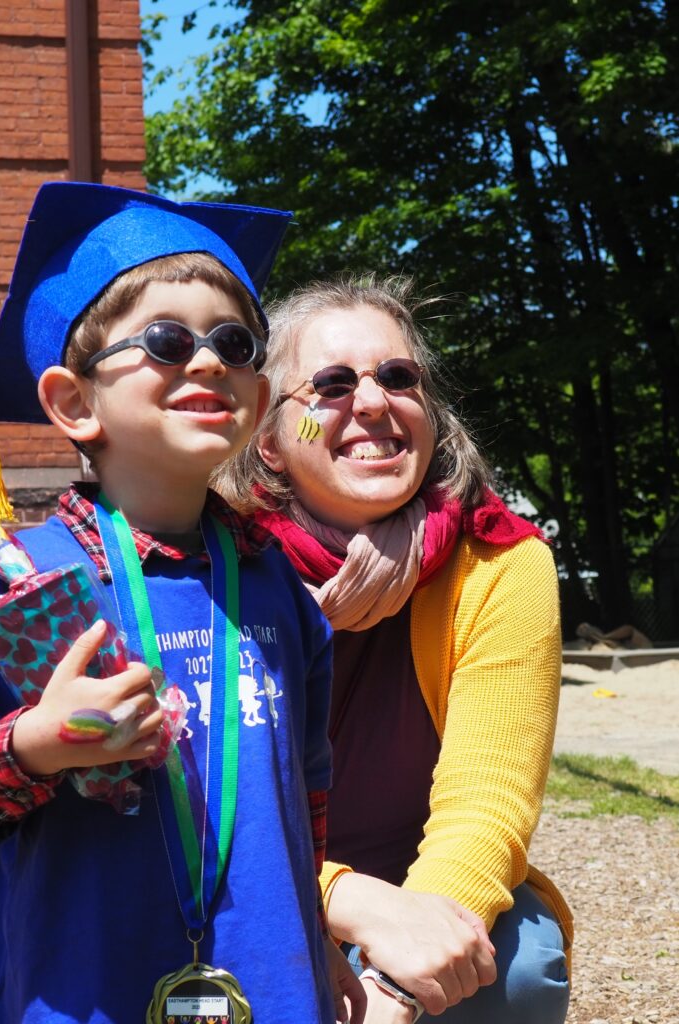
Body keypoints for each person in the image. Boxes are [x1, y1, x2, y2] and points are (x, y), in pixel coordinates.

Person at [0, 183, 364, 1024]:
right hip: (85, 989)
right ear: (74, 403)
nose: (208, 361)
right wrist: (37, 745)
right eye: (165, 340)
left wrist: (319, 933)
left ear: (258, 402)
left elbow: (310, 793)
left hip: (273, 987)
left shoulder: (276, 587)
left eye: (234, 342)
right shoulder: (27, 585)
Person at [215, 275, 574, 1024]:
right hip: (252, 885)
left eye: (398, 378)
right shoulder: (217, 571)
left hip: (427, 893)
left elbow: (488, 806)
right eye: (332, 384)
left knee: (513, 969)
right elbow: (215, 814)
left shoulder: (500, 563)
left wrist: (399, 980)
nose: (373, 402)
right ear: (273, 442)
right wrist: (343, 900)